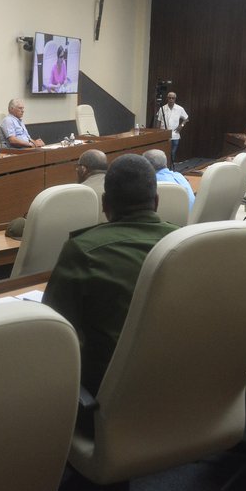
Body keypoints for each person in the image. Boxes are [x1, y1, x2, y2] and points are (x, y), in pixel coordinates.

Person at [43, 154, 178, 396]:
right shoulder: (184, 243)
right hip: (178, 388)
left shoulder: (83, 250)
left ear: (104, 205)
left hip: (105, 399)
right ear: (156, 202)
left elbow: (54, 333)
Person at [154, 91, 189, 166]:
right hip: (164, 134)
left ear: (175, 99)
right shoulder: (162, 108)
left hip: (174, 134)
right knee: (163, 152)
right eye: (169, 98)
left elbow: (186, 118)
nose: (171, 99)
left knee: (172, 153)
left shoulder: (180, 108)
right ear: (167, 98)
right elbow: (158, 121)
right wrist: (157, 132)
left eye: (173, 98)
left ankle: (171, 167)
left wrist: (181, 126)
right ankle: (164, 167)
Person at [76, 149, 108, 222]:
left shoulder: (77, 193)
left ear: (83, 169)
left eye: (78, 166)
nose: (76, 169)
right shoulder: (118, 186)